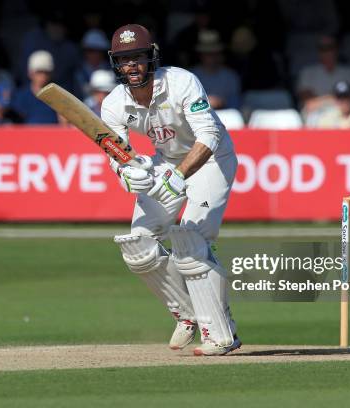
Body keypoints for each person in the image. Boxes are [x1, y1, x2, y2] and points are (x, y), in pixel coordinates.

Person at [103, 24, 241, 356]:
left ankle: (220, 335)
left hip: (211, 161)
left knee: (189, 241)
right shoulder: (113, 104)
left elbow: (209, 136)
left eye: (137, 57)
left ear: (151, 58)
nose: (132, 66)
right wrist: (127, 173)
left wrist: (178, 177)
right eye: (124, 60)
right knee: (138, 246)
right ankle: (187, 312)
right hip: (166, 161)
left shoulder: (181, 82)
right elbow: (116, 153)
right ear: (116, 65)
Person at [296, 35, 350, 114]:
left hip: (340, 114)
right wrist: (334, 98)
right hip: (315, 114)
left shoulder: (349, 73)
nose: (327, 51)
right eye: (322, 48)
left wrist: (320, 101)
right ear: (318, 51)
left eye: (330, 47)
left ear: (337, 49)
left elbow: (348, 101)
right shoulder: (307, 73)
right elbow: (309, 103)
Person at [191, 30, 242, 109]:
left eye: (215, 53)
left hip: (226, 118)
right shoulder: (191, 76)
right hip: (198, 118)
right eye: (208, 53)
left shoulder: (231, 76)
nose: (212, 57)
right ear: (201, 55)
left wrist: (222, 102)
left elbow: (236, 104)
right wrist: (206, 102)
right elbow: (185, 106)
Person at [11, 50, 58, 124]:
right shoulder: (20, 96)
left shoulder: (58, 97)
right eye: (39, 72)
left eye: (46, 72)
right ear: (30, 73)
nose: (43, 76)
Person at [75, 29, 111, 99]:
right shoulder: (78, 71)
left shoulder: (112, 70)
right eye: (90, 50)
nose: (94, 54)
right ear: (84, 51)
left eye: (98, 50)